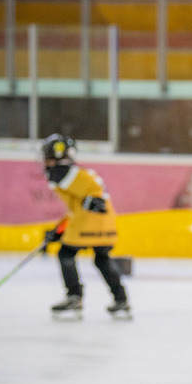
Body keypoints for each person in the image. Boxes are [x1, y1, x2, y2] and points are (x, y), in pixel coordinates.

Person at [40, 133, 130, 319]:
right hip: (106, 223)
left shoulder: (65, 172)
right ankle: (121, 299)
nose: (45, 160)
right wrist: (59, 229)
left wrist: (59, 231)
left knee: (66, 253)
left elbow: (60, 176)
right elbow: (78, 207)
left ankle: (74, 296)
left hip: (89, 223)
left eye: (48, 155)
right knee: (102, 258)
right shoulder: (83, 174)